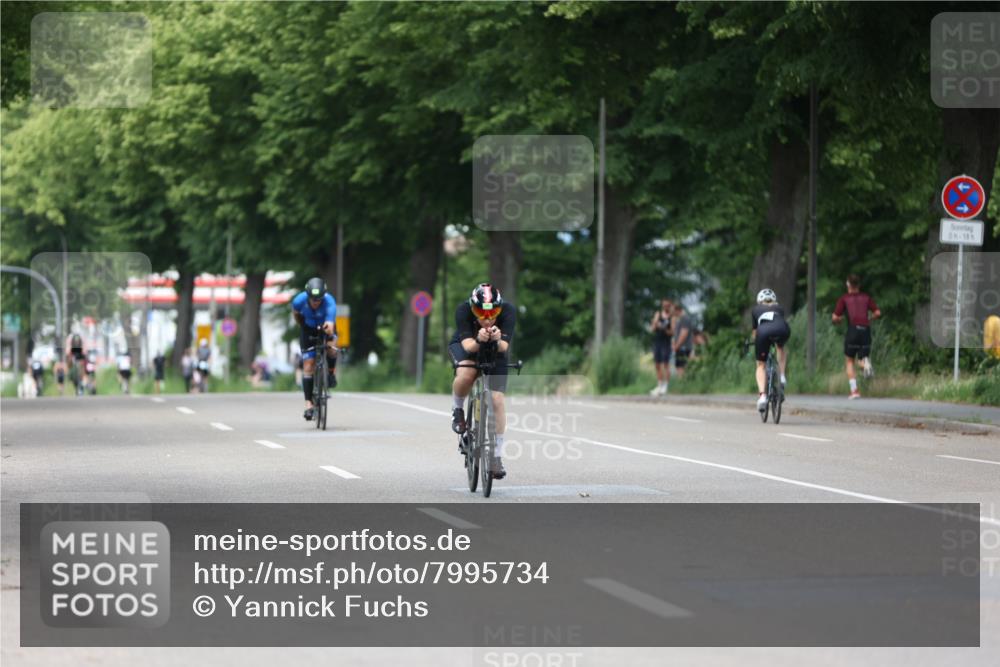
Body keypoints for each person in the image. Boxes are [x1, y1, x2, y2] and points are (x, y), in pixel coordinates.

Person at [449, 283, 516, 479]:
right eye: (480, 312)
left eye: (493, 312)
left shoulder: (508, 311)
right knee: (467, 374)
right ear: (472, 308)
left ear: (500, 308)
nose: (487, 318)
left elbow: (504, 347)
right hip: (468, 344)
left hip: (495, 348)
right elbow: (468, 347)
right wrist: (479, 339)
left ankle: (496, 457)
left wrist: (496, 339)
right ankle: (457, 409)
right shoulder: (463, 311)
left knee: (497, 399)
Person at [292, 277, 338, 421]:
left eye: (319, 299)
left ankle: (331, 373)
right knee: (308, 365)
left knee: (332, 349)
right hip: (308, 329)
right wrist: (303, 326)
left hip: (326, 327)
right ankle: (308, 404)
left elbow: (330, 325)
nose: (316, 302)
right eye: (313, 299)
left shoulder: (329, 302)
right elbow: (296, 314)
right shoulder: (298, 301)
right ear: (307, 296)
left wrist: (328, 333)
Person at [832, 274, 881, 399]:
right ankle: (866, 365)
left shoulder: (844, 299)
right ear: (859, 285)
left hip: (853, 330)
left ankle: (854, 391)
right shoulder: (866, 297)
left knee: (849, 360)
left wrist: (839, 320)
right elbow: (877, 312)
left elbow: (835, 317)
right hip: (865, 330)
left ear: (848, 284)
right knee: (862, 358)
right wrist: (870, 319)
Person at [751, 288, 790, 412]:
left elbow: (755, 332)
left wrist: (755, 342)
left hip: (764, 332)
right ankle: (782, 376)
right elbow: (777, 322)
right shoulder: (779, 308)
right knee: (780, 347)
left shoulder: (756, 309)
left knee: (761, 365)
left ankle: (762, 396)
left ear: (759, 301)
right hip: (783, 329)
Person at [648, 299, 673, 395]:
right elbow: (652, 329)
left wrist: (663, 327)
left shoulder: (672, 317)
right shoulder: (658, 314)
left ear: (670, 306)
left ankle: (665, 386)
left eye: (667, 305)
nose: (665, 307)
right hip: (657, 342)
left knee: (666, 364)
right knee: (657, 364)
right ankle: (659, 385)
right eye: (664, 305)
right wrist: (655, 324)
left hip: (666, 343)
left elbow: (672, 332)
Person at [672, 303, 694, 379]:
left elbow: (683, 335)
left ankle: (682, 384)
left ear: (677, 310)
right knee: (679, 367)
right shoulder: (679, 319)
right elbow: (675, 333)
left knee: (681, 368)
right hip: (680, 347)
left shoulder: (685, 319)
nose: (672, 312)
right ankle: (682, 383)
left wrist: (676, 346)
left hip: (683, 348)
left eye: (673, 311)